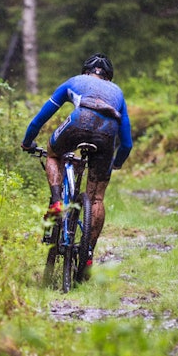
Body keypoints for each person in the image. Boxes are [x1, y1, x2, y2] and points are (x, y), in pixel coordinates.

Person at [21, 53, 133, 282]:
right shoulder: (117, 93)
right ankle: (87, 253)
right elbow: (127, 142)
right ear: (109, 78)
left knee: (54, 154)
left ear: (86, 71)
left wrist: (27, 142)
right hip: (106, 135)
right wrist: (116, 163)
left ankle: (55, 201)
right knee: (97, 198)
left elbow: (39, 119)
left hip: (77, 124)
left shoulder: (74, 81)